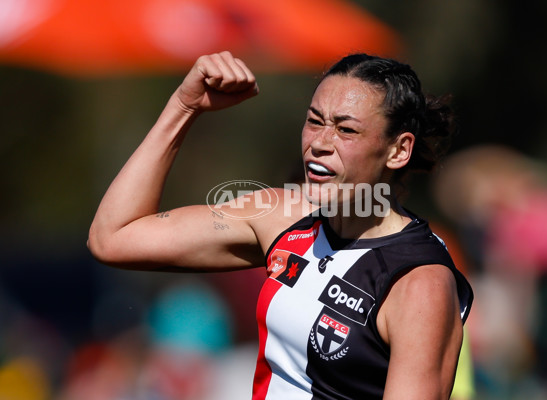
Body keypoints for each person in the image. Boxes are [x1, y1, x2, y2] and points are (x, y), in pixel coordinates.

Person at [88, 51, 473, 399]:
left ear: (398, 150)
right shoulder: (282, 214)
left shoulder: (420, 284)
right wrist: (184, 107)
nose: (320, 143)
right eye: (314, 121)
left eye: (346, 129)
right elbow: (114, 238)